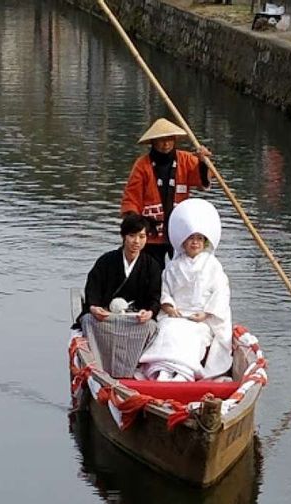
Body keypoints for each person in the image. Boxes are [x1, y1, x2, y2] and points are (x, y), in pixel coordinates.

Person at [138, 198, 232, 382]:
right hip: (176, 314)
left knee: (193, 335)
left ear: (204, 242)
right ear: (183, 241)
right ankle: (162, 370)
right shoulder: (173, 266)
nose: (195, 243)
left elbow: (221, 293)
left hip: (200, 318)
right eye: (191, 238)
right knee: (167, 329)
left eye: (199, 239)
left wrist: (205, 314)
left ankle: (184, 373)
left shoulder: (213, 265)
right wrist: (169, 306)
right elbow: (164, 290)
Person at [74, 213, 162, 378]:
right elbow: (92, 288)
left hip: (134, 319)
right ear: (123, 236)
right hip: (107, 317)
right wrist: (94, 308)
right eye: (132, 236)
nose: (137, 241)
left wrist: (149, 312)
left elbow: (155, 297)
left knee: (151, 327)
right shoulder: (106, 261)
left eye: (142, 236)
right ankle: (100, 368)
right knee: (89, 321)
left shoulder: (152, 266)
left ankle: (133, 370)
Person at [121, 117, 212, 266]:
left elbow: (203, 182)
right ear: (153, 142)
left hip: (178, 231)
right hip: (151, 233)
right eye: (161, 140)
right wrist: (134, 227)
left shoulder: (186, 160)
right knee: (151, 272)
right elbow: (132, 198)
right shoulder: (142, 165)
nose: (166, 144)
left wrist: (203, 162)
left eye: (170, 139)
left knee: (181, 271)